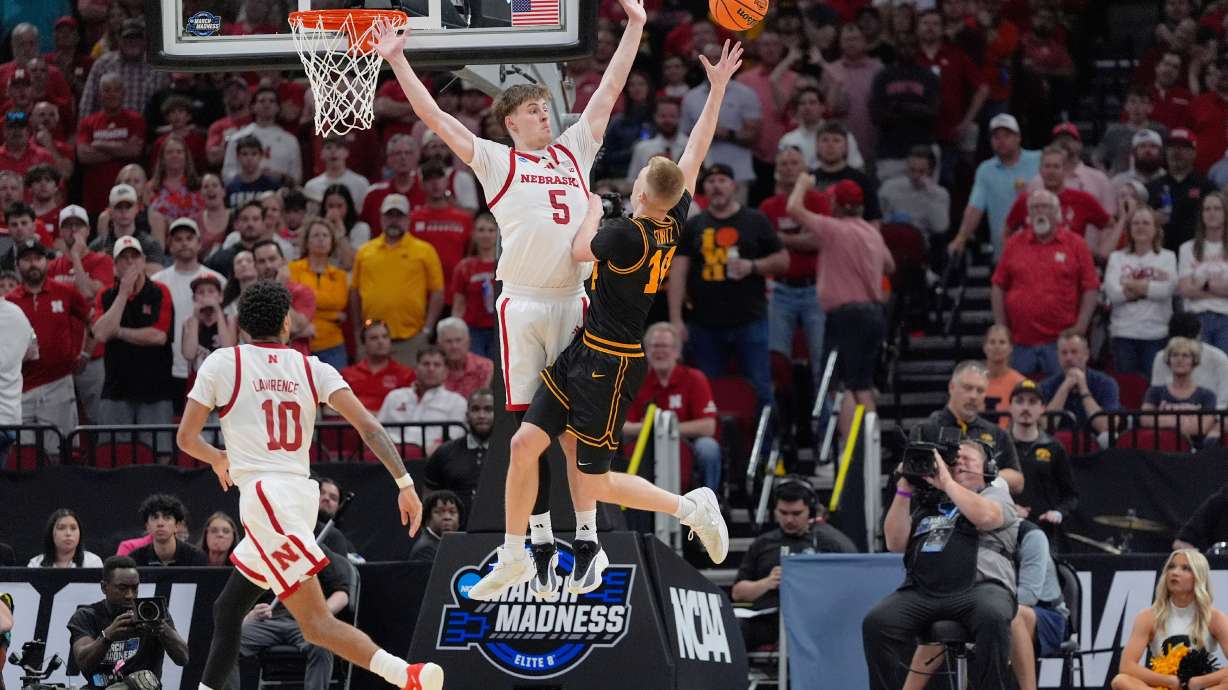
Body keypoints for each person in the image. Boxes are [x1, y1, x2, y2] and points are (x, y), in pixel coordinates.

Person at [374, 0, 648, 584]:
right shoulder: (497, 162)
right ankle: (537, 544)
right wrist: (397, 60)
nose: (544, 115)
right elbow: (435, 118)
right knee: (528, 435)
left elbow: (608, 92)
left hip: (574, 301)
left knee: (575, 434)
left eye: (546, 108)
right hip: (522, 305)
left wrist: (636, 26)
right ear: (511, 123)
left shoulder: (574, 151)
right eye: (532, 110)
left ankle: (588, 541)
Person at [467, 40, 740, 602]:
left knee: (596, 478)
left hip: (609, 362)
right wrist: (715, 92)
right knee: (525, 443)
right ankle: (520, 554)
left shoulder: (624, 235)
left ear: (641, 192)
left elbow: (577, 250)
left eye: (638, 179)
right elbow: (695, 151)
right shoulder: (671, 219)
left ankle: (689, 506)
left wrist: (591, 205)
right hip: (582, 349)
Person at [176, 279, 442, 690]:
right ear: (287, 323)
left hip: (265, 500)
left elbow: (186, 438)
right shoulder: (313, 367)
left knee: (316, 624)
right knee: (227, 610)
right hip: (299, 495)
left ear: (241, 325)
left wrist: (217, 457)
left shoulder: (223, 363)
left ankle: (406, 675)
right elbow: (369, 427)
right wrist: (404, 483)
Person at [862, 440, 1019, 690]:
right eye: (954, 460)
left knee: (993, 615)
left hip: (979, 588)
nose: (959, 464)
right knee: (877, 622)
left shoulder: (995, 494)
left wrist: (947, 482)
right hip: (923, 591)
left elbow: (986, 517)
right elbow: (895, 543)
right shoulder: (930, 502)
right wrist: (904, 488)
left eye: (968, 459)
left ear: (987, 468)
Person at [669, 161, 788, 411]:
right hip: (704, 324)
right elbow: (678, 273)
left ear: (733, 186)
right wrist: (676, 320)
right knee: (706, 392)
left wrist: (753, 266)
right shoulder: (694, 225)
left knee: (760, 389)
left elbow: (782, 261)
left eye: (722, 181)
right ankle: (715, 435)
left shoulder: (755, 220)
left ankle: (765, 436)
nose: (716, 186)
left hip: (750, 321)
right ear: (704, 189)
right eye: (711, 182)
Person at [788, 177, 893, 436]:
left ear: (837, 203)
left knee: (839, 386)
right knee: (863, 385)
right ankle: (871, 447)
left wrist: (802, 184)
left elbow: (793, 209)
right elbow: (890, 265)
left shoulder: (833, 229)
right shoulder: (872, 232)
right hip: (874, 313)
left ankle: (851, 447)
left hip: (846, 315)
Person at [732, 478, 856, 649]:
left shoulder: (828, 542)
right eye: (783, 513)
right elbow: (737, 593)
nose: (789, 520)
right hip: (769, 619)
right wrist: (767, 583)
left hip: (814, 618)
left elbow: (849, 587)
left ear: (810, 511)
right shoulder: (762, 544)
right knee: (735, 628)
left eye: (796, 513)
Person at [992, 189, 1100, 378]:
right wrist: (1001, 327)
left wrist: (1081, 326)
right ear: (1028, 215)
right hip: (1020, 342)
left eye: (1045, 207)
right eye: (1035, 207)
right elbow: (998, 285)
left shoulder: (1076, 244)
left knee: (1064, 391)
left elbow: (1090, 287)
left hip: (1061, 343)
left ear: (1057, 213)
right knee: (1019, 393)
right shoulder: (1014, 244)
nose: (1040, 211)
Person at [226, 545, 356, 690]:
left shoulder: (314, 549)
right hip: (267, 622)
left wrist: (320, 613)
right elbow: (239, 601)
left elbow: (342, 595)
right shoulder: (259, 552)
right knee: (227, 644)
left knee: (322, 645)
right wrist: (251, 613)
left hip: (307, 622)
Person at [758, 146, 830, 394]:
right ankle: (781, 415)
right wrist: (801, 238)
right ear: (776, 171)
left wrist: (780, 238)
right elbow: (764, 246)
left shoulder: (819, 201)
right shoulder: (768, 206)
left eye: (794, 163)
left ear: (805, 169)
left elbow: (820, 240)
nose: (788, 168)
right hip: (780, 290)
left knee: (821, 360)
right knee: (776, 361)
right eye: (783, 164)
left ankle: (824, 417)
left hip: (815, 289)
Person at [9, 239, 90, 455]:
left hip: (58, 383)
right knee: (22, 456)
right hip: (21, 387)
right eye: (27, 259)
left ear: (47, 262)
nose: (33, 264)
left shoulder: (65, 292)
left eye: (38, 258)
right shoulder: (9, 302)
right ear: (17, 265)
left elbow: (91, 319)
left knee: (59, 453)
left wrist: (85, 353)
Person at [623, 322, 722, 492]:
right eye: (654, 346)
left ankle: (708, 499)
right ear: (646, 351)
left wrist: (662, 428)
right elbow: (623, 427)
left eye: (664, 346)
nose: (659, 351)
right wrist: (649, 430)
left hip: (688, 441)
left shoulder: (695, 378)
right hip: (646, 440)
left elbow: (708, 427)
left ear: (677, 351)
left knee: (708, 448)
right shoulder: (636, 380)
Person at [1110, 549, 1228, 690]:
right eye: (1171, 567)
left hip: (1200, 687)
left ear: (1199, 577)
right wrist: (1170, 681)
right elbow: (1126, 666)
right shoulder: (1148, 617)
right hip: (1163, 686)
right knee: (1121, 680)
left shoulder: (1214, 618)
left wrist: (1199, 682)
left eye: (1185, 568)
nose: (1175, 572)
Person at [68, 556, 190, 690]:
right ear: (104, 587)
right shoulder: (87, 616)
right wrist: (107, 636)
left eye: (135, 588)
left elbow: (183, 658)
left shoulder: (151, 612)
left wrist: (162, 629)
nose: (130, 595)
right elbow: (83, 663)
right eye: (122, 588)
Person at [350, 194, 443, 367]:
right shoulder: (364, 252)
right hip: (371, 337)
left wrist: (427, 330)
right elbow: (354, 292)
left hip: (410, 339)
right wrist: (357, 331)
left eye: (399, 216)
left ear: (408, 219)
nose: (394, 220)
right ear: (381, 218)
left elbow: (438, 292)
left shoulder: (425, 251)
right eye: (389, 215)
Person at [93, 236, 176, 428]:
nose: (130, 262)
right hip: (116, 390)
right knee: (114, 446)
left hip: (155, 390)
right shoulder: (106, 295)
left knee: (157, 445)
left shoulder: (160, 291)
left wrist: (118, 332)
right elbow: (101, 334)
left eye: (135, 256)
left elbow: (159, 336)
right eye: (124, 258)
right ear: (115, 265)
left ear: (144, 260)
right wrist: (123, 293)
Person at [153, 218, 226, 408]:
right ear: (169, 245)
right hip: (168, 366)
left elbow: (228, 324)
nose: (184, 243)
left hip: (210, 368)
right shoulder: (157, 282)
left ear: (199, 243)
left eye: (189, 238)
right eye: (178, 239)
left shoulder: (218, 280)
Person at [921, 360, 1024, 494]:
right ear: (951, 387)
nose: (974, 396)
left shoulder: (997, 433)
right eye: (967, 388)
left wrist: (983, 472)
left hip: (983, 504)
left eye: (980, 390)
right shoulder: (927, 429)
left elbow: (1018, 481)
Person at [948, 113, 1041, 258]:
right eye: (996, 137)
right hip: (1004, 252)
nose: (1001, 141)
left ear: (1018, 137)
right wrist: (961, 237)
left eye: (1006, 135)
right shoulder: (986, 170)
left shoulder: (1039, 160)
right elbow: (975, 207)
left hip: (1040, 247)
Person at [1104, 206, 1178, 377]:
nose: (1140, 227)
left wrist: (1128, 283)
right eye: (1136, 223)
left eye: (1146, 223)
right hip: (1123, 334)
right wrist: (1149, 286)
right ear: (1129, 229)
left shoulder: (1167, 257)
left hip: (1156, 334)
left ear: (1156, 229)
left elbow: (1166, 291)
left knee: (1153, 387)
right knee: (1128, 388)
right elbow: (1113, 294)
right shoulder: (1117, 258)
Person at [1009, 380, 1078, 536]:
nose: (1026, 407)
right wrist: (1007, 507)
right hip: (1005, 528)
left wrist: (1058, 512)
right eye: (1020, 401)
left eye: (1032, 402)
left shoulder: (1054, 447)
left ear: (1042, 408)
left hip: (1044, 529)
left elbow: (1070, 496)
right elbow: (984, 490)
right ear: (1010, 407)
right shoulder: (999, 445)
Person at [288, 218, 349, 370]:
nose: (321, 239)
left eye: (325, 235)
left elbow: (339, 302)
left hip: (333, 346)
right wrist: (332, 315)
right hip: (299, 343)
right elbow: (291, 304)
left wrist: (308, 303)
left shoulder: (340, 275)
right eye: (316, 235)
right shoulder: (293, 269)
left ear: (332, 241)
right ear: (307, 241)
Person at [423, 389, 494, 520]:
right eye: (475, 409)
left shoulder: (510, 452)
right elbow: (429, 496)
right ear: (467, 415)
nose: (481, 415)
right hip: (455, 529)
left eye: (488, 409)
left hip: (501, 527)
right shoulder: (444, 452)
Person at [378, 346, 467, 449]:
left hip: (432, 456)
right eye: (426, 364)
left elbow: (453, 439)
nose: (431, 369)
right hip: (391, 453)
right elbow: (377, 431)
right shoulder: (394, 396)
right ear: (416, 369)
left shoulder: (457, 402)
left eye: (437, 365)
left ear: (446, 372)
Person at [1148, 128, 1217, 250]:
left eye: (1182, 148)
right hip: (1161, 252)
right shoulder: (1153, 187)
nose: (1176, 152)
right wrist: (1152, 218)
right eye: (1172, 147)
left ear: (1193, 153)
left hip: (1197, 251)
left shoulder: (1207, 187)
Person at [1041, 330, 1120, 435]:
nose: (1068, 358)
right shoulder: (1046, 386)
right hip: (1058, 440)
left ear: (1086, 355)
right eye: (1064, 353)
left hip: (1095, 439)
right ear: (1058, 357)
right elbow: (1045, 427)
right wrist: (1064, 388)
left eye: (1074, 352)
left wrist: (1083, 389)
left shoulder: (1106, 383)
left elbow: (1106, 426)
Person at [1178, 192, 1228, 353]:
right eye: (1207, 209)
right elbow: (1186, 290)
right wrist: (1221, 290)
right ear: (1201, 215)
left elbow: (1193, 289)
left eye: (1217, 208)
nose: (1212, 213)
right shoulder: (1187, 248)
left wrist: (1203, 284)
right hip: (1196, 319)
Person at [221, 88, 302, 186]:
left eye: (272, 101)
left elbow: (296, 178)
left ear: (278, 108)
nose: (266, 105)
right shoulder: (237, 138)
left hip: (279, 191)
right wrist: (250, 177)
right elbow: (227, 175)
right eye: (262, 101)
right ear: (252, 107)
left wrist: (280, 177)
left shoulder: (290, 140)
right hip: (245, 191)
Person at [1144, 337, 1219, 440]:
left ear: (1194, 361)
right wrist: (1180, 421)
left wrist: (1163, 421)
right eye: (1175, 355)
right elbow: (1145, 420)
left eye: (1185, 355)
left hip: (1196, 448)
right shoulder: (1155, 392)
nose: (1179, 359)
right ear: (1169, 361)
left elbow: (1202, 427)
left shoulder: (1207, 395)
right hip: (1162, 445)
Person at [449, 212, 497, 360]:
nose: (486, 235)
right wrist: (455, 333)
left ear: (498, 234)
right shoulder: (464, 267)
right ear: (474, 234)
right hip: (473, 330)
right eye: (481, 230)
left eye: (491, 230)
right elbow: (458, 305)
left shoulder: (506, 264)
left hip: (499, 329)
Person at [341, 320, 415, 413]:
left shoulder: (406, 374)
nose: (381, 341)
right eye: (374, 338)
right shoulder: (347, 375)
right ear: (364, 344)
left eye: (385, 337)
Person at [126, 494, 208, 566]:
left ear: (177, 526)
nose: (160, 523)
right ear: (147, 526)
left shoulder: (196, 557)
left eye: (167, 518)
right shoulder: (135, 559)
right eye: (155, 518)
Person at [304, 136, 370, 210]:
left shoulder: (361, 183)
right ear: (321, 154)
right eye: (328, 147)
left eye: (338, 147)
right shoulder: (312, 186)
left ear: (347, 152)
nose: (333, 151)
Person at [435, 317, 492, 399]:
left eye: (458, 340)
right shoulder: (432, 369)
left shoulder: (485, 367)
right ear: (439, 345)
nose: (454, 346)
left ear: (468, 342)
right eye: (448, 341)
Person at [27, 508, 104, 567]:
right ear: (51, 533)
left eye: (73, 528)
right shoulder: (36, 564)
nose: (68, 533)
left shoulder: (93, 562)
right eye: (61, 528)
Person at [223, 135, 281, 210]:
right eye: (244, 154)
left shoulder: (272, 187)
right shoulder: (230, 188)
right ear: (237, 156)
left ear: (261, 156)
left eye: (254, 154)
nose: (249, 158)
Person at [408, 491, 462, 563]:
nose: (447, 517)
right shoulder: (425, 550)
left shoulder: (459, 544)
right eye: (439, 512)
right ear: (427, 518)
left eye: (452, 512)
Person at [983, 324, 1025, 416]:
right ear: (984, 347)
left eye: (1002, 342)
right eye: (992, 342)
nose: (996, 346)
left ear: (1011, 348)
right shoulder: (973, 381)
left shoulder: (1020, 384)